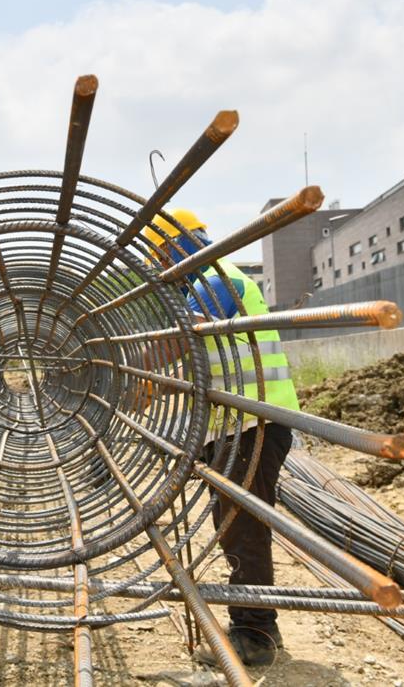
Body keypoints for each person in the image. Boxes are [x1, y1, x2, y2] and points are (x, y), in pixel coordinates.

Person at [146, 208, 299, 667]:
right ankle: (253, 624)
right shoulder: (203, 285)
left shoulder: (219, 279)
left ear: (183, 243)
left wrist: (125, 362)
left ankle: (255, 633)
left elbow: (179, 337)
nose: (160, 267)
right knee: (233, 524)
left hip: (254, 425)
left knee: (243, 526)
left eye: (161, 255)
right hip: (236, 426)